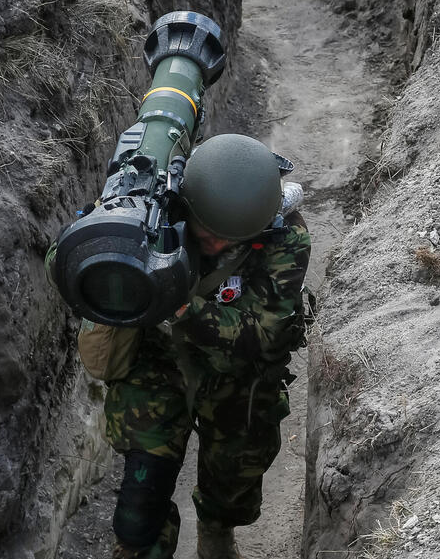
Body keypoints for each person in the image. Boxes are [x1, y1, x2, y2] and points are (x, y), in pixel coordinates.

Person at [105, 133, 311, 559]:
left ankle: (216, 538)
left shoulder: (285, 236)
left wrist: (178, 305)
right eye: (207, 232)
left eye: (227, 240)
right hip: (158, 366)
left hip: (240, 376)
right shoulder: (154, 205)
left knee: (233, 485)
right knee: (140, 503)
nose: (214, 245)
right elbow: (66, 258)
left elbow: (262, 330)